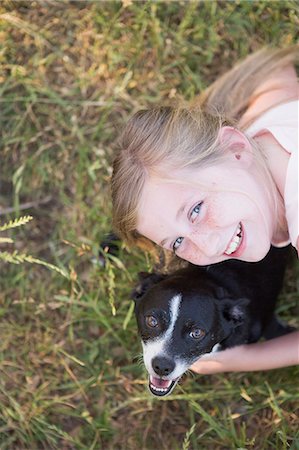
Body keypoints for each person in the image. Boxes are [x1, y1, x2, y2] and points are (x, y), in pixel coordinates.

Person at [111, 46, 299, 373]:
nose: (209, 247)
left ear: (236, 149)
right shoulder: (265, 119)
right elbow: (271, 71)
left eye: (195, 210)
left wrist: (243, 359)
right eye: (178, 243)